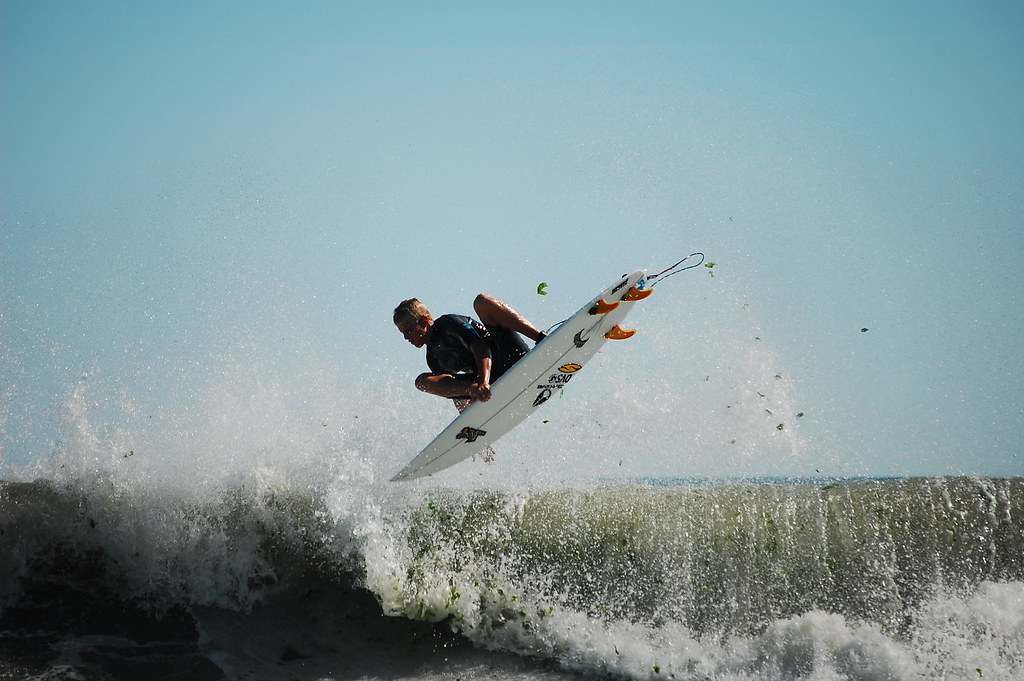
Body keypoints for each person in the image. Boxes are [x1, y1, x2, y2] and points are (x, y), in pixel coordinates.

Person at [394, 294, 546, 407]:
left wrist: (483, 382)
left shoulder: (448, 323)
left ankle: (541, 338)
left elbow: (481, 348)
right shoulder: (433, 358)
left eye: (409, 330)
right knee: (422, 382)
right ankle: (474, 393)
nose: (406, 337)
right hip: (487, 385)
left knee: (481, 301)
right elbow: (452, 389)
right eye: (403, 333)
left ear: (424, 321)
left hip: (511, 356)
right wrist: (470, 419)